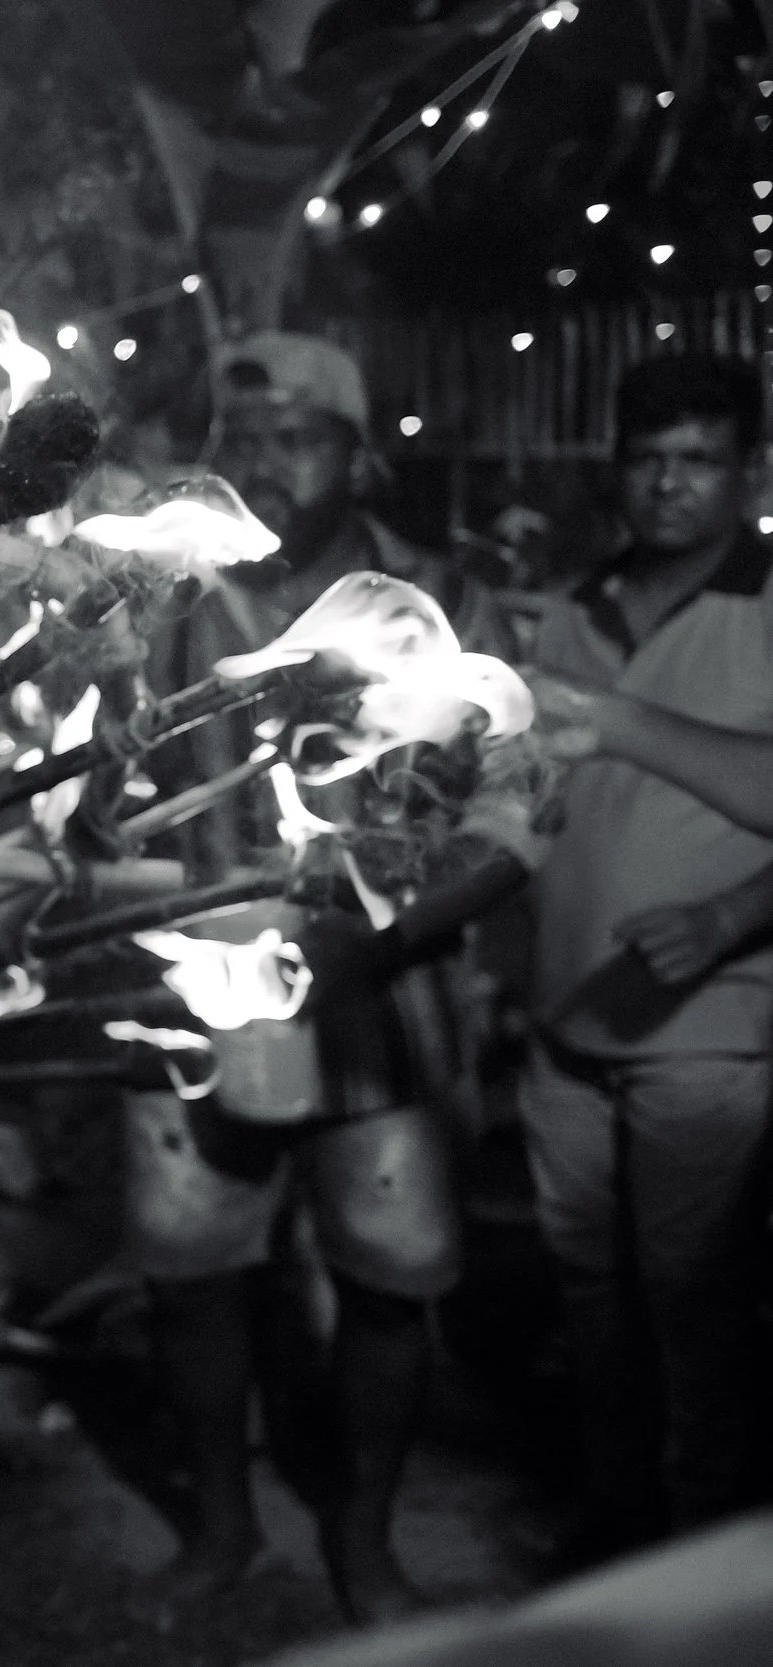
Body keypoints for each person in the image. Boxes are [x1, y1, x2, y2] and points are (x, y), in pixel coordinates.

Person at [128, 332, 475, 1624]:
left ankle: (367, 1533)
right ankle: (223, 1520)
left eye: (301, 437)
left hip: (380, 993)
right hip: (193, 981)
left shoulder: (431, 595)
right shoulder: (168, 592)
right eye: (248, 437)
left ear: (356, 449)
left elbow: (508, 815)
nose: (268, 463)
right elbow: (99, 775)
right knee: (190, 1262)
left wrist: (373, 929)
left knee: (392, 1266)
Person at [517, 352, 773, 1558]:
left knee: (696, 1302)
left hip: (709, 1027)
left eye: (699, 461)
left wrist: (726, 920)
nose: (669, 484)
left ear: (749, 472)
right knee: (589, 1296)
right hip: (564, 1021)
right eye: (647, 459)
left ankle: (700, 1563)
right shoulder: (574, 606)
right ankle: (613, 1534)